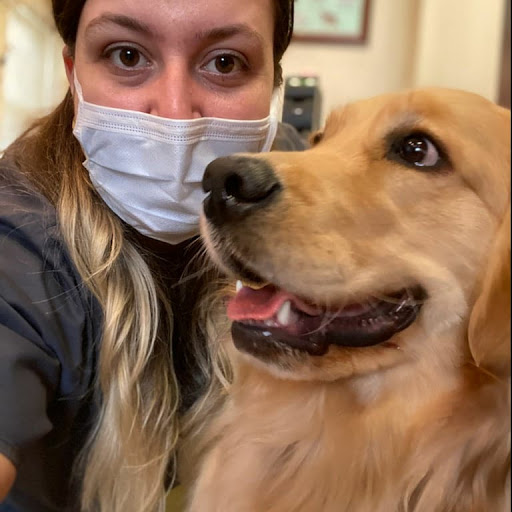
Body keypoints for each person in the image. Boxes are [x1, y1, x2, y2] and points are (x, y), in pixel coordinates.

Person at [0, 0, 305, 510]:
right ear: (73, 75)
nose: (174, 112)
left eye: (225, 62)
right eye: (126, 55)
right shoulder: (18, 237)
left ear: (272, 83)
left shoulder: (287, 184)